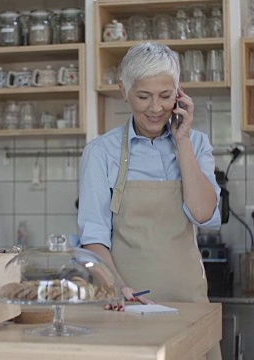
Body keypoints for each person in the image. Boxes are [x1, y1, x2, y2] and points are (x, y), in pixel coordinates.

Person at [77, 42, 222, 360]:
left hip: (190, 308)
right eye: (144, 96)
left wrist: (181, 140)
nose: (156, 108)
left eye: (166, 96)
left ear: (179, 93)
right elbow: (94, 238)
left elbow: (204, 214)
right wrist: (114, 286)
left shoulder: (196, 144)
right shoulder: (100, 153)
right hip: (129, 308)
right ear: (124, 91)